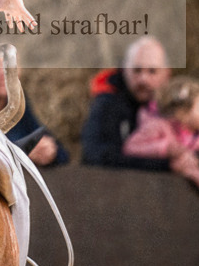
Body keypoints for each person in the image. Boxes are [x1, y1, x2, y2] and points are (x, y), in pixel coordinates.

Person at [81, 36, 189, 173]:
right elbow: (98, 158)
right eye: (137, 70)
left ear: (166, 75)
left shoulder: (178, 110)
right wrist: (167, 166)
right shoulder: (107, 105)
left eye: (152, 71)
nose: (143, 79)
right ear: (124, 70)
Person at [123, 76, 199, 196]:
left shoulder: (197, 133)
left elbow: (193, 150)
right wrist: (165, 148)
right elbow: (131, 147)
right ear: (183, 113)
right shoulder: (157, 126)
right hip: (150, 188)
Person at [0, 55, 68, 167]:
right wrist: (22, 154)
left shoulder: (18, 105)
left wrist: (50, 152)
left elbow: (61, 153)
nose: (3, 72)